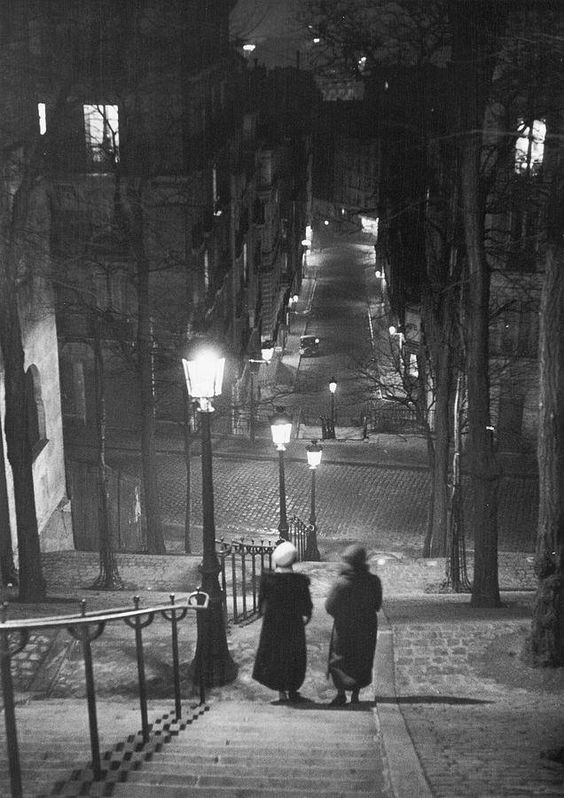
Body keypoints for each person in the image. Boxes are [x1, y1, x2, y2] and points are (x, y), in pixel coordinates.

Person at [252, 541, 313, 703]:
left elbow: (262, 605)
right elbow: (307, 607)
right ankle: (293, 689)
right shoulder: (300, 582)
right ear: (293, 561)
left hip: (273, 626)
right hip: (294, 626)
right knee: (294, 656)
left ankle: (281, 692)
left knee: (276, 657)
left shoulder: (268, 580)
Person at [325, 544, 383, 706]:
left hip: (344, 627)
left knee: (340, 657)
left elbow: (329, 606)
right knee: (362, 658)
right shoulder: (373, 581)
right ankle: (356, 695)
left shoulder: (341, 583)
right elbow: (377, 605)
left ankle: (341, 694)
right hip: (366, 627)